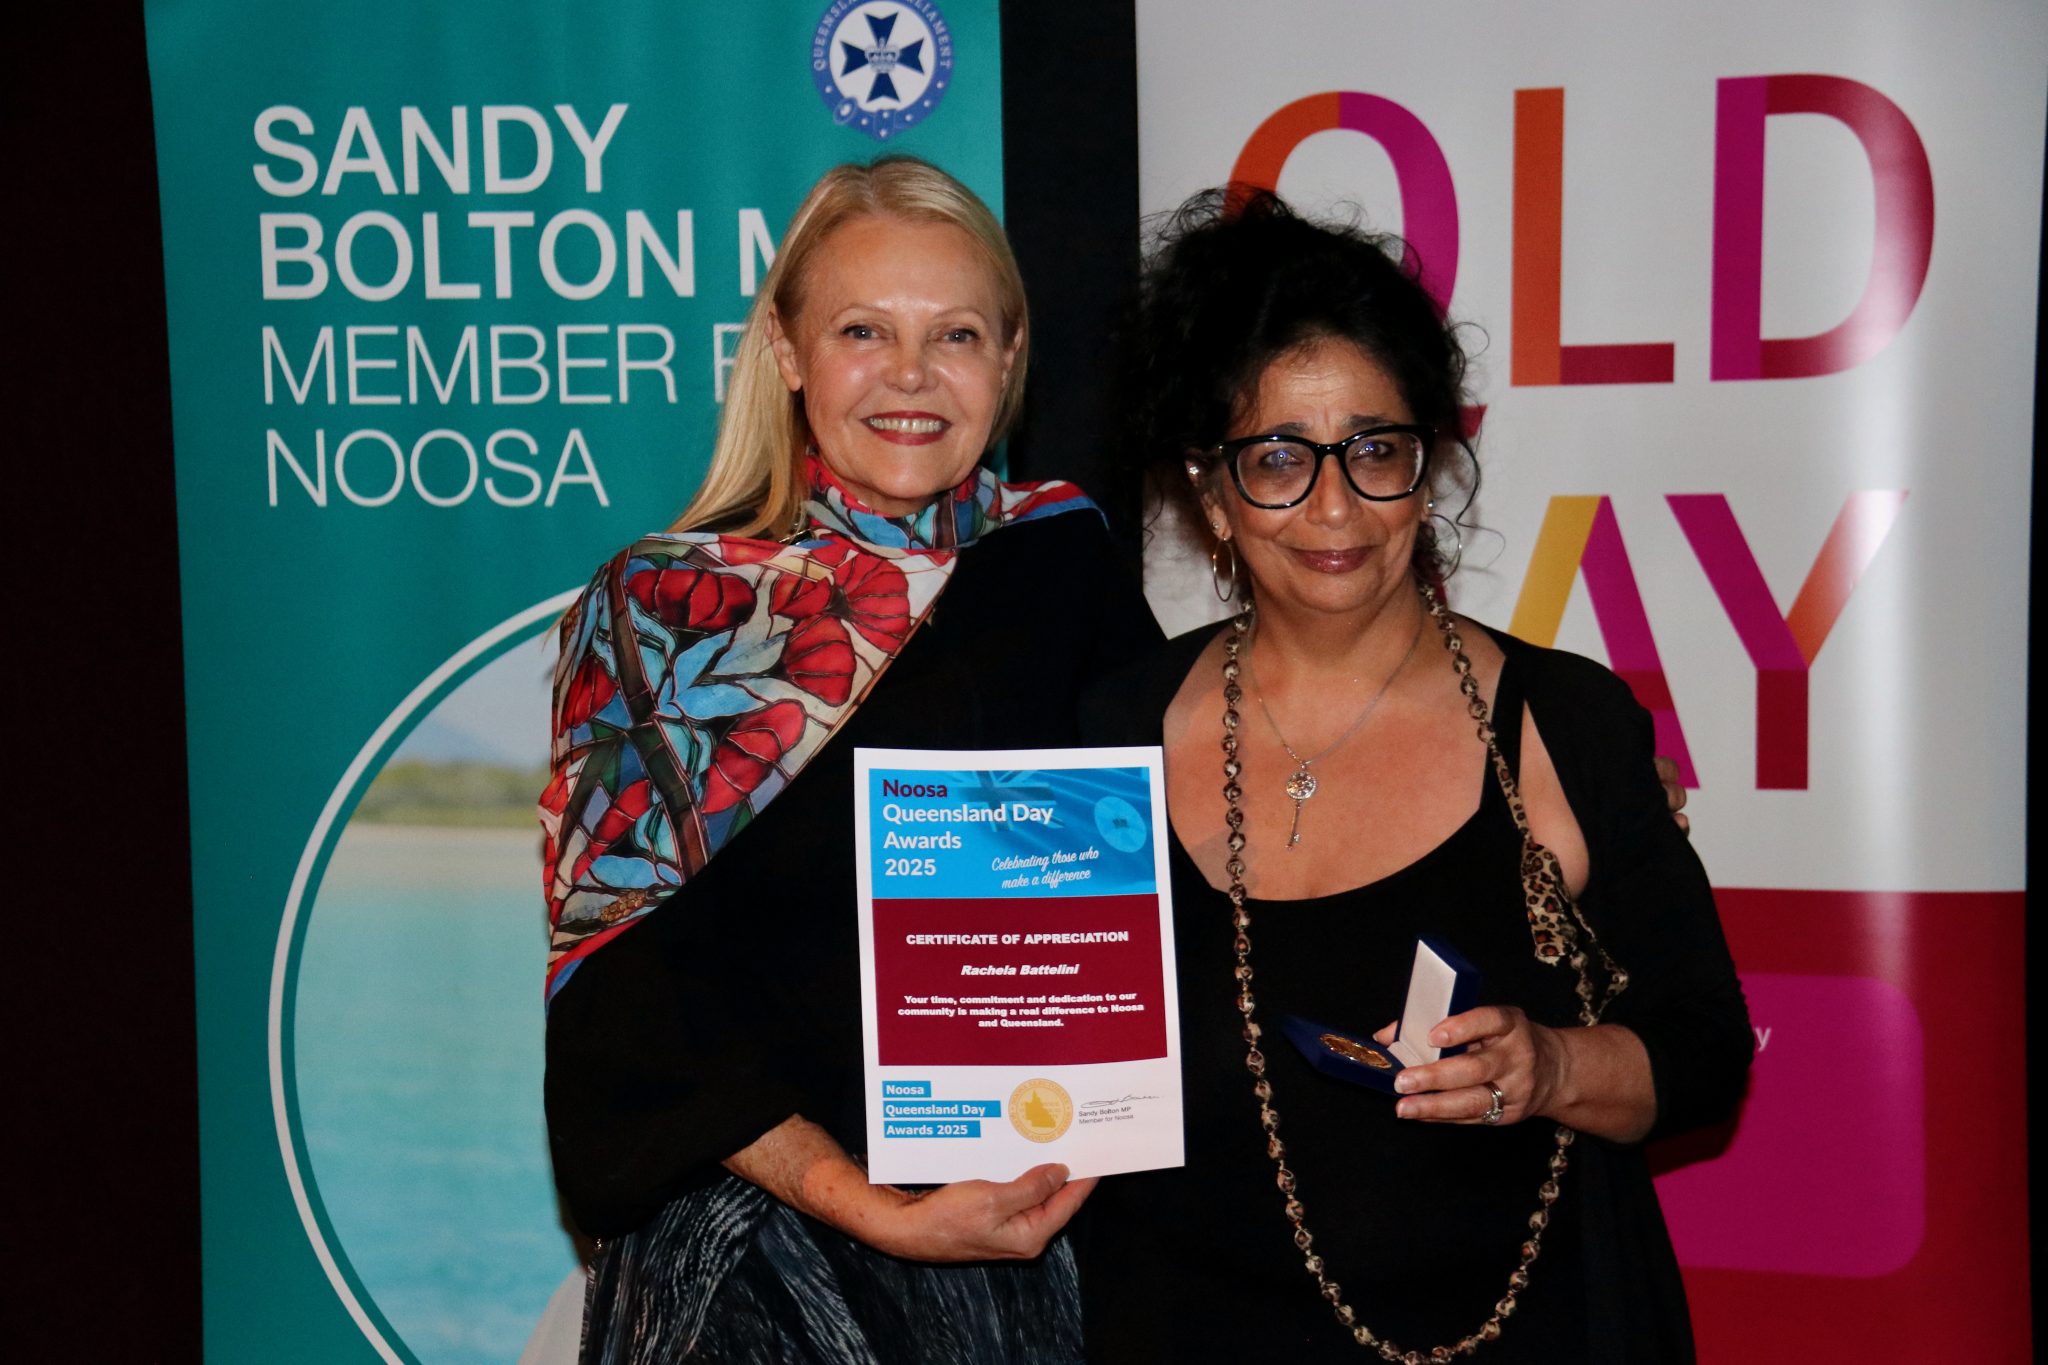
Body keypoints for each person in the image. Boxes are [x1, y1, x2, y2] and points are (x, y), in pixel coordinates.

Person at [1075, 189, 1753, 1363]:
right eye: (1277, 458)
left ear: (1426, 468)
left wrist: (1551, 1065)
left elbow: (1701, 1054)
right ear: (1209, 491)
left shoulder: (1564, 724)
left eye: (1374, 450)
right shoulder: (1105, 735)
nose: (1334, 505)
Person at [540, 156, 1157, 1365]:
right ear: (786, 349)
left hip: (1033, 1244)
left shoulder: (1061, 567)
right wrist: (865, 1206)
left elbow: (1166, 882)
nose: (910, 374)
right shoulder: (660, 613)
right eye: (862, 330)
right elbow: (624, 988)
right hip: (751, 1270)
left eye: (955, 333)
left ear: (1009, 355)